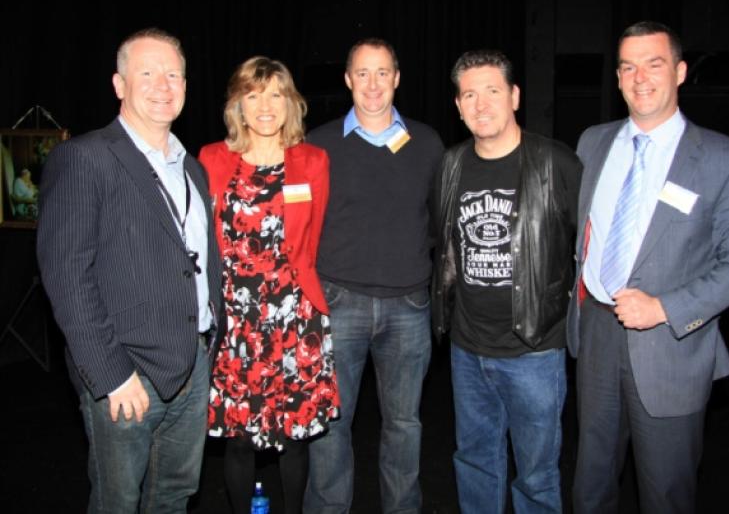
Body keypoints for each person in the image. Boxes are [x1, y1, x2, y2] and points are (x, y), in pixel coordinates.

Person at [568, 21, 729, 514]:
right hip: (595, 331)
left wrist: (665, 307)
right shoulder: (592, 142)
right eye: (628, 66)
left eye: (654, 64)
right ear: (617, 78)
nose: (640, 77)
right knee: (591, 486)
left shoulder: (726, 158)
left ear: (679, 71)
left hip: (670, 347)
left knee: (666, 494)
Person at [36, 28, 222, 513]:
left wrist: (208, 351)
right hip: (126, 373)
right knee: (118, 502)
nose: (163, 84)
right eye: (147, 73)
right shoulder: (84, 158)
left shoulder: (192, 168)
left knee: (174, 497)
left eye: (174, 74)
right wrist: (112, 374)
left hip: (192, 366)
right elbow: (66, 276)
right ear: (119, 84)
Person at [431, 50, 581, 513]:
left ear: (514, 96)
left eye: (492, 91)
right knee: (475, 461)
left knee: (536, 475)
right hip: (468, 348)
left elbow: (591, 247)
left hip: (534, 349)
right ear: (457, 106)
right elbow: (443, 249)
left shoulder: (556, 163)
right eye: (469, 95)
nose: (481, 104)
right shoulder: (450, 166)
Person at [304, 38, 444, 514]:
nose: (372, 84)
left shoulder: (427, 143)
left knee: (404, 424)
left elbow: (439, 222)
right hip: (338, 303)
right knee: (330, 425)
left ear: (397, 78)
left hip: (409, 307)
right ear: (347, 79)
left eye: (382, 72)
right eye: (362, 73)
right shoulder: (318, 145)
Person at [198, 56, 339, 514]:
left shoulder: (313, 161)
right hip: (235, 324)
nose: (265, 105)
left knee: (295, 439)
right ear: (237, 103)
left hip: (295, 320)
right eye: (253, 94)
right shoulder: (211, 159)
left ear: (290, 103)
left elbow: (311, 241)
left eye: (276, 94)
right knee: (238, 441)